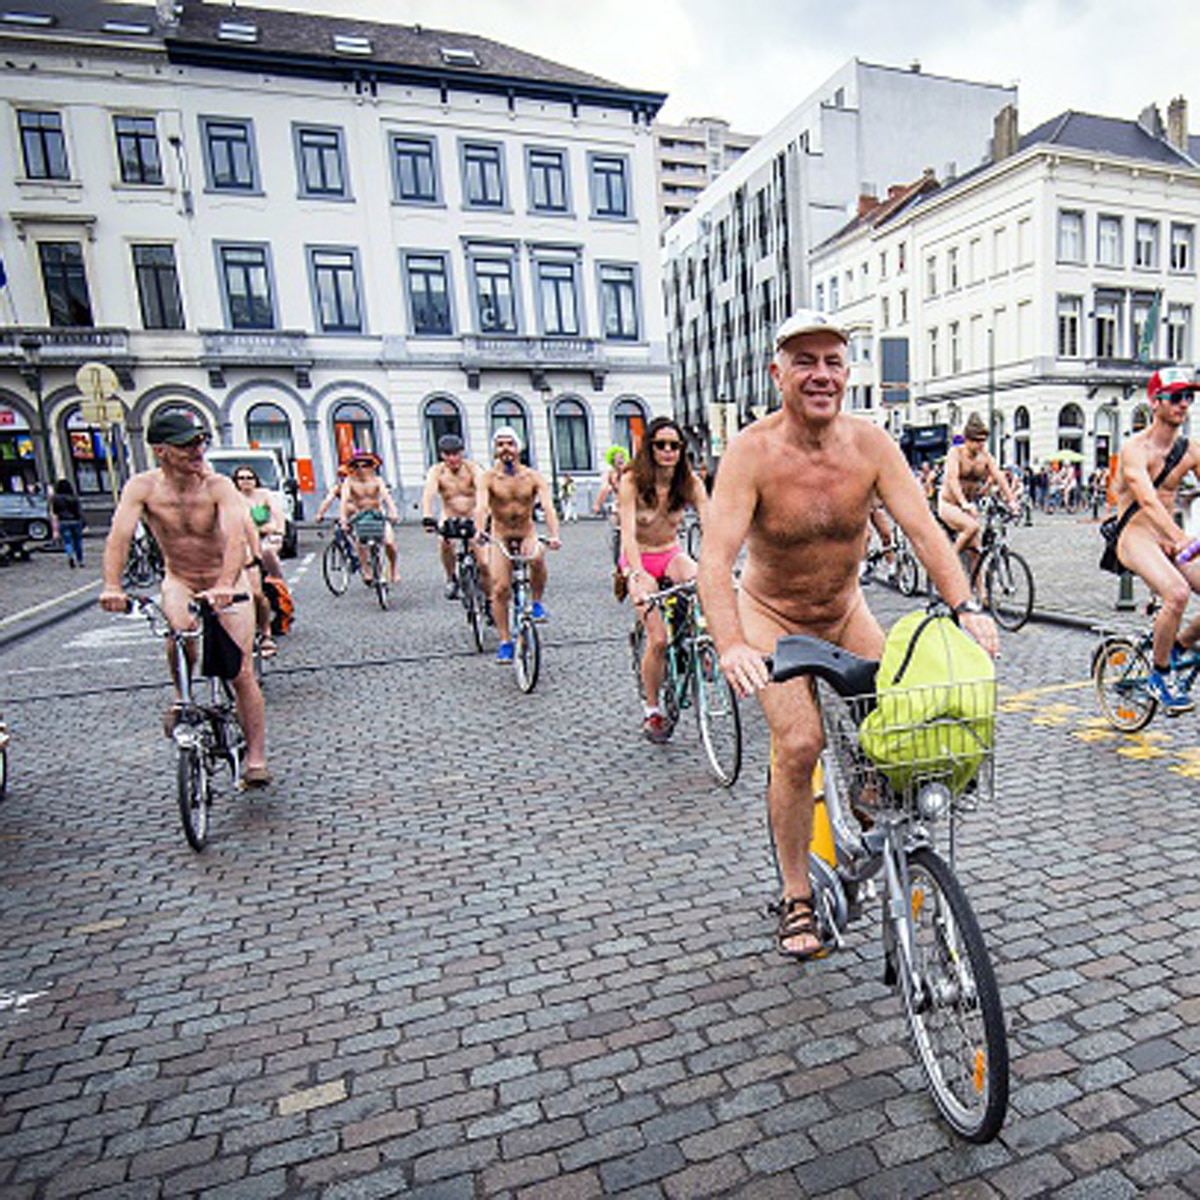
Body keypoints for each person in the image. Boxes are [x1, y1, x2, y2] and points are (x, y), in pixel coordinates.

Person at [698, 309, 997, 961]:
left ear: (847, 372)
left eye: (832, 361)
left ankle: (880, 838)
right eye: (804, 361)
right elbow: (715, 563)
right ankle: (797, 892)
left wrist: (968, 605)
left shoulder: (870, 445)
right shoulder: (751, 451)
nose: (820, 374)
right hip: (771, 616)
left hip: (844, 610)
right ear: (777, 372)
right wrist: (732, 646)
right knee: (801, 742)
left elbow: (924, 531)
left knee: (901, 728)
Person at [98, 410, 269, 786]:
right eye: (187, 444)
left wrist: (226, 583)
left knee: (239, 670)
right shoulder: (142, 488)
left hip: (227, 578)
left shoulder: (217, 486)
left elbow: (237, 536)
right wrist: (112, 585)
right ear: (161, 450)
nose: (197, 449)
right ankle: (182, 697)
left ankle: (255, 757)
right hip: (180, 578)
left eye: (199, 441)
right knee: (178, 634)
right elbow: (119, 536)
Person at [1112, 366, 1200, 714]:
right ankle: (1159, 676)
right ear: (1156, 402)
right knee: (1176, 594)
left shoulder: (1190, 450)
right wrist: (1177, 536)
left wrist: (1179, 537)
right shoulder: (1136, 449)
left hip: (1169, 538)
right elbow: (1147, 500)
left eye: (1188, 397)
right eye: (1176, 397)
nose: (1183, 405)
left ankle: (1179, 644)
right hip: (1135, 536)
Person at [618, 416, 710, 742]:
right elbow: (627, 532)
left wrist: (719, 564)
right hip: (639, 556)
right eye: (661, 445)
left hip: (670, 552)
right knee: (657, 639)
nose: (668, 451)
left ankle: (703, 647)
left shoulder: (689, 483)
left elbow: (711, 524)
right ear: (650, 447)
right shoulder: (631, 481)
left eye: (674, 445)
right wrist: (637, 571)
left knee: (706, 582)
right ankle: (653, 710)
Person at [476, 426, 560, 663]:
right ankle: (505, 641)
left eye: (510, 444)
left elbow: (547, 506)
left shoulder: (532, 477)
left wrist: (554, 534)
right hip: (500, 534)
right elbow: (481, 506)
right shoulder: (488, 478)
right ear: (495, 449)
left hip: (526, 532)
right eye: (501, 444)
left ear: (518, 447)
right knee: (500, 588)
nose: (506, 449)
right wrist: (480, 530)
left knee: (536, 557)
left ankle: (536, 601)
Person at [937, 412, 1018, 569]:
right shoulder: (956, 453)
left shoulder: (985, 456)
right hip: (950, 504)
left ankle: (980, 593)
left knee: (976, 553)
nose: (981, 445)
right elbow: (952, 479)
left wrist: (1012, 501)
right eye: (977, 441)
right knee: (972, 527)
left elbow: (999, 476)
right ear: (967, 439)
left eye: (983, 440)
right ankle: (949, 564)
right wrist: (963, 503)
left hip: (970, 506)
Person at [421, 433, 485, 599]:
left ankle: (485, 589)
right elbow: (429, 493)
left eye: (456, 454)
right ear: (442, 455)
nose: (452, 458)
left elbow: (483, 490)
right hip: (449, 515)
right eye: (448, 454)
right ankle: (451, 577)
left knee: (482, 556)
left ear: (462, 453)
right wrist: (427, 516)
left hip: (473, 515)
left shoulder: (473, 468)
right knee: (444, 543)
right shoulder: (437, 471)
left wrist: (485, 515)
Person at [232, 465, 286, 659]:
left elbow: (277, 516)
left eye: (249, 477)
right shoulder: (232, 499)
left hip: (262, 542)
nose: (245, 481)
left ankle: (266, 631)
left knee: (257, 591)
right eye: (241, 478)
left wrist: (278, 531)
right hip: (240, 543)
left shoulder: (264, 495)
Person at [339, 449, 400, 584]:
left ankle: (394, 569)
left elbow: (386, 497)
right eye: (357, 466)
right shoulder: (349, 482)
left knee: (390, 542)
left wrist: (393, 511)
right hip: (360, 515)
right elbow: (344, 501)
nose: (361, 469)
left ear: (371, 466)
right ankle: (366, 569)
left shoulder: (377, 480)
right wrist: (343, 519)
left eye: (365, 465)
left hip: (378, 514)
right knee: (359, 543)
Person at [50, 478, 85, 568]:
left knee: (67, 542)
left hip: (63, 521)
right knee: (78, 542)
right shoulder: (74, 497)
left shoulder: (55, 499)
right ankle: (80, 560)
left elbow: (55, 512)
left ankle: (70, 556)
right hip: (75, 521)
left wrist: (55, 527)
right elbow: (79, 511)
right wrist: (83, 522)